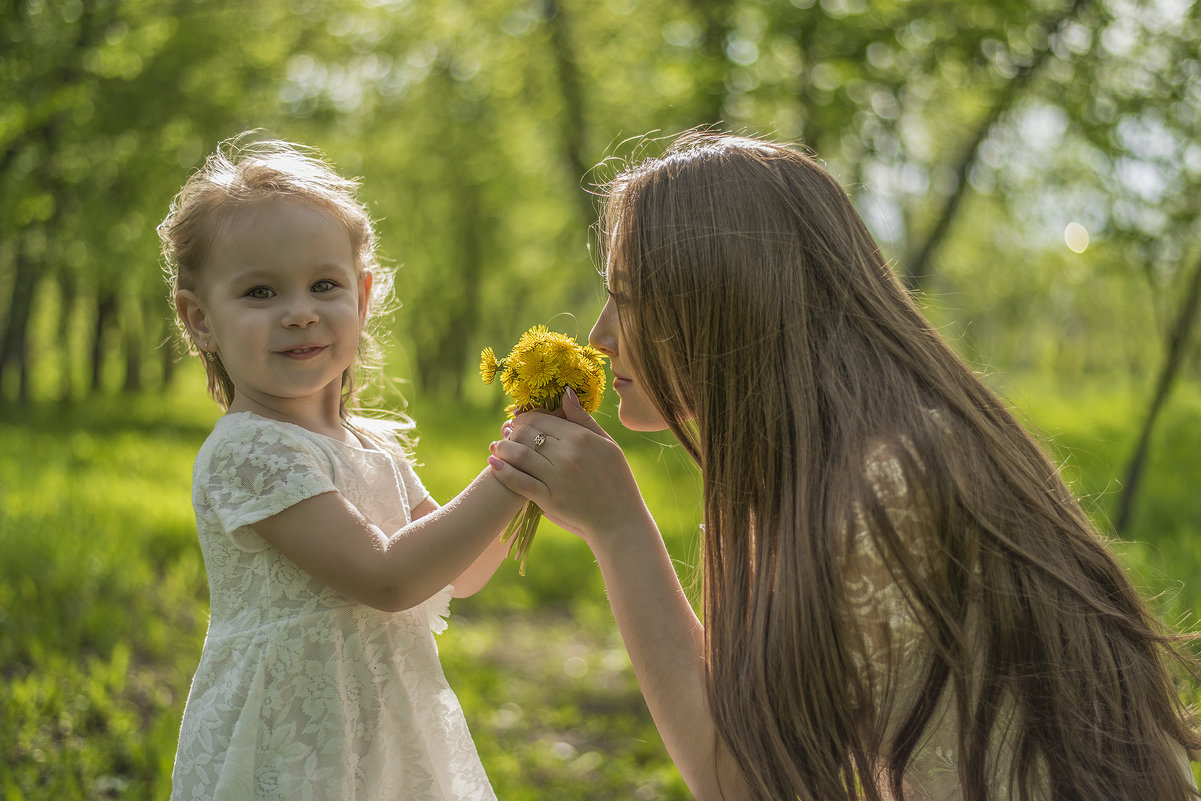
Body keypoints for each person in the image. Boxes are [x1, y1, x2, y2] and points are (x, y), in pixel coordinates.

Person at [488, 131, 1201, 801]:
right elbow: (753, 729)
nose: (600, 336)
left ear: (724, 300)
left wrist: (618, 527)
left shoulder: (890, 485)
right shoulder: (853, 455)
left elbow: (741, 778)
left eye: (628, 298)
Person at [159, 135, 522, 801]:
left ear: (362, 295)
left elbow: (463, 570)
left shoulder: (374, 445)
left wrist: (524, 463)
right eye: (261, 291)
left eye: (323, 284)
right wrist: (509, 479)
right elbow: (385, 577)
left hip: (385, 722)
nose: (299, 310)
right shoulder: (249, 450)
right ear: (200, 319)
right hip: (290, 739)